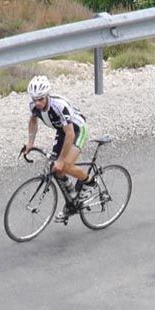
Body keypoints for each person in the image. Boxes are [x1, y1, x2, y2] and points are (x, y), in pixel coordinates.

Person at [23, 75, 95, 217]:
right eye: (34, 99)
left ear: (47, 95)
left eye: (40, 99)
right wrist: (30, 142)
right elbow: (33, 121)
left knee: (65, 165)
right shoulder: (33, 105)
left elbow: (70, 135)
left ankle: (90, 182)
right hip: (62, 130)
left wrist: (61, 160)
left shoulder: (59, 106)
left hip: (77, 130)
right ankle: (72, 197)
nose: (37, 103)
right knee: (55, 168)